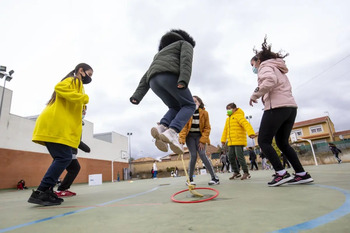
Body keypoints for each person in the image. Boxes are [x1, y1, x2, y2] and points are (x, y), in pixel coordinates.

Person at [249, 36, 313, 186]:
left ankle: (281, 173)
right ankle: (301, 174)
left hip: (276, 107)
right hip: (290, 108)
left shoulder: (265, 66)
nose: (254, 68)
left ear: (258, 61)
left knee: (263, 140)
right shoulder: (278, 68)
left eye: (253, 65)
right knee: (282, 142)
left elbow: (270, 81)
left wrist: (255, 94)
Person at [28, 63, 93, 206]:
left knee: (61, 158)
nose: (90, 78)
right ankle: (41, 191)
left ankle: (47, 190)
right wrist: (84, 99)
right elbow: (59, 87)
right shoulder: (74, 80)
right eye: (89, 74)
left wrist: (81, 109)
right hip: (54, 125)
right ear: (80, 71)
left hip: (58, 127)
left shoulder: (78, 86)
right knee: (64, 157)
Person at [130, 29, 196, 155]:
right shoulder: (184, 44)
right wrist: (183, 80)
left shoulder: (159, 54)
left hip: (153, 82)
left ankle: (161, 128)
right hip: (170, 77)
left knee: (174, 106)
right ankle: (172, 132)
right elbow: (186, 61)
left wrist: (137, 95)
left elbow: (146, 74)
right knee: (189, 105)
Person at [179, 96, 219, 185]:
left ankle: (214, 177)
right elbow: (184, 128)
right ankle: (189, 179)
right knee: (193, 155)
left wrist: (202, 141)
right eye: (191, 101)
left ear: (199, 103)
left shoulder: (205, 113)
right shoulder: (187, 113)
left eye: (195, 101)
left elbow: (207, 128)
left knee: (202, 154)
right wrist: (181, 141)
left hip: (200, 137)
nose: (194, 103)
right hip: (190, 137)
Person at [221, 102, 256, 180]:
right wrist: (223, 140)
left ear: (235, 109)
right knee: (230, 157)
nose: (228, 111)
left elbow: (246, 124)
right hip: (231, 142)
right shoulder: (228, 119)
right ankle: (236, 172)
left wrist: (251, 133)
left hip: (239, 140)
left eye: (230, 109)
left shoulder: (239, 116)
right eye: (227, 109)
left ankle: (246, 172)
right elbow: (225, 130)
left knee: (240, 157)